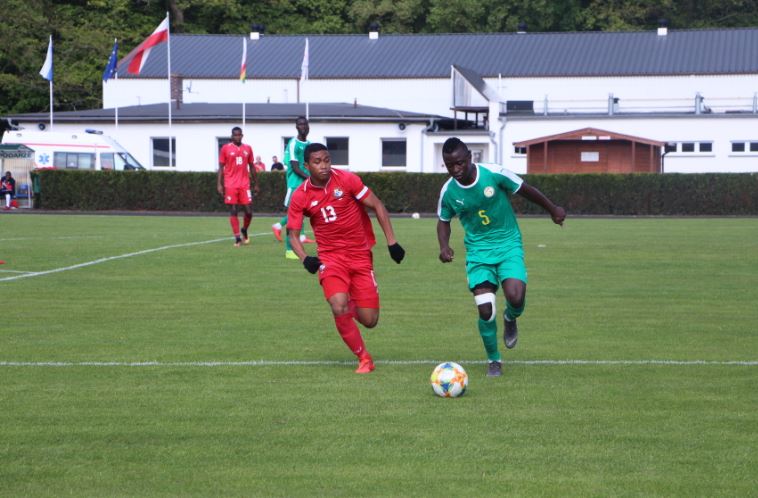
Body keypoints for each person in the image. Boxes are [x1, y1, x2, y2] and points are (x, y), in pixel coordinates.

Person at [436, 137, 566, 377]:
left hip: (508, 244)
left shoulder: (494, 173)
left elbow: (527, 190)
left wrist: (553, 209)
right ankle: (494, 360)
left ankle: (510, 317)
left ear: (469, 158)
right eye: (449, 165)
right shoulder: (449, 191)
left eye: (459, 163)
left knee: (516, 297)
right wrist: (444, 246)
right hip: (478, 253)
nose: (455, 170)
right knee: (485, 309)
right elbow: (443, 221)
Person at [288, 143, 406, 373]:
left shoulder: (347, 180)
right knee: (337, 305)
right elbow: (292, 234)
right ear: (306, 166)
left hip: (360, 255)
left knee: (370, 320)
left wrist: (392, 242)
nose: (323, 166)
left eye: (327, 160)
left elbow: (377, 205)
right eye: (317, 162)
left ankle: (347, 306)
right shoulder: (300, 196)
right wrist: (305, 258)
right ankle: (364, 358)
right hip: (331, 259)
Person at [271, 116, 314, 257]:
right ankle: (290, 249)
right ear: (296, 127)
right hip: (295, 185)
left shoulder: (310, 144)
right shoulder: (293, 143)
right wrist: (312, 178)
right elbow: (295, 167)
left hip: (306, 186)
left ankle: (290, 236)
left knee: (300, 216)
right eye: (300, 124)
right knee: (293, 217)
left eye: (305, 124)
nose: (303, 127)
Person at [217, 126, 259, 247]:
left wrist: (256, 184)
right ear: (231, 136)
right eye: (235, 135)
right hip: (230, 184)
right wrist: (219, 184)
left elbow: (252, 166)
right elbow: (221, 167)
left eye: (239, 135)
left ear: (242, 136)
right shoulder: (225, 148)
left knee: (249, 211)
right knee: (233, 210)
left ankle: (244, 229)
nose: (237, 137)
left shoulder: (248, 148)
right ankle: (237, 238)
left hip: (245, 184)